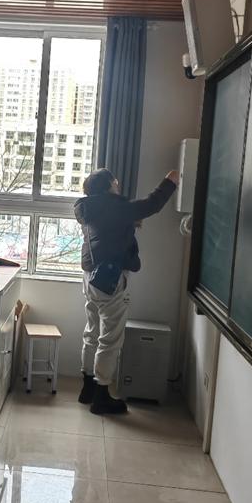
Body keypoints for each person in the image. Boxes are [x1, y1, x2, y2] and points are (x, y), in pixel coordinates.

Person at [74, 168, 179, 415]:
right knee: (110, 339)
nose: (118, 185)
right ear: (109, 185)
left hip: (90, 277)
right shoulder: (114, 207)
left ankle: (87, 388)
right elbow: (151, 205)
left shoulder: (88, 208)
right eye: (115, 182)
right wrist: (170, 181)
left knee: (92, 332)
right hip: (109, 280)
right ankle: (101, 396)